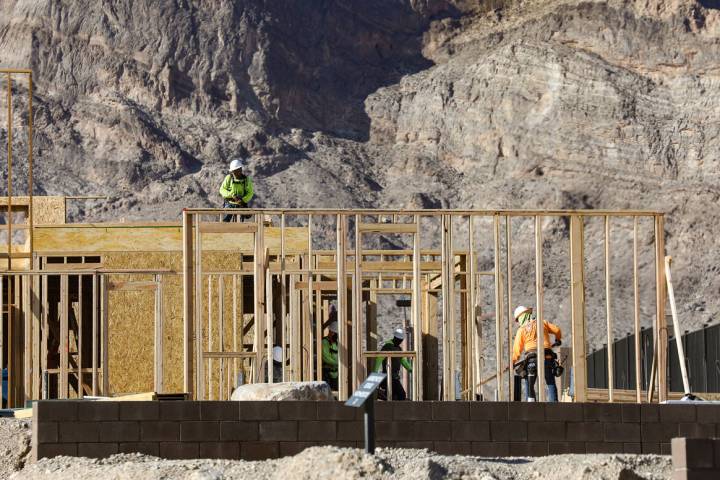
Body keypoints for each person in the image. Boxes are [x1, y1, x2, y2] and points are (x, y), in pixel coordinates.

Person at [511, 305, 562, 402]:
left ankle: (532, 409)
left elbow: (516, 350)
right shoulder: (542, 323)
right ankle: (554, 408)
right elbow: (557, 330)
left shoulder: (521, 330)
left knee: (529, 383)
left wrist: (512, 362)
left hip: (531, 359)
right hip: (547, 356)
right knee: (550, 381)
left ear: (521, 317)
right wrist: (558, 339)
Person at [374, 328, 413, 400]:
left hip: (395, 376)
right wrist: (375, 372)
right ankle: (380, 394)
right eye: (399, 340)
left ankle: (382, 395)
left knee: (394, 396)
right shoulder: (387, 346)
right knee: (401, 395)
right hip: (388, 376)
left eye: (401, 340)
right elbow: (379, 358)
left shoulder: (399, 348)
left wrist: (410, 369)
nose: (400, 342)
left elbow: (403, 360)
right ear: (395, 338)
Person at [219, 158, 254, 222]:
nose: (234, 173)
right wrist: (231, 195)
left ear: (240, 169)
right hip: (229, 203)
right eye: (233, 171)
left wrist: (243, 200)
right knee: (226, 220)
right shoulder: (228, 178)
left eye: (236, 171)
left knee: (241, 220)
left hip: (241, 203)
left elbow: (250, 192)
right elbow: (222, 190)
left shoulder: (247, 180)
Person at [321, 320, 339, 391]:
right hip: (327, 373)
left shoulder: (336, 343)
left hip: (336, 373)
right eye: (336, 333)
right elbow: (326, 357)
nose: (337, 335)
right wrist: (338, 364)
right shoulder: (325, 342)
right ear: (331, 332)